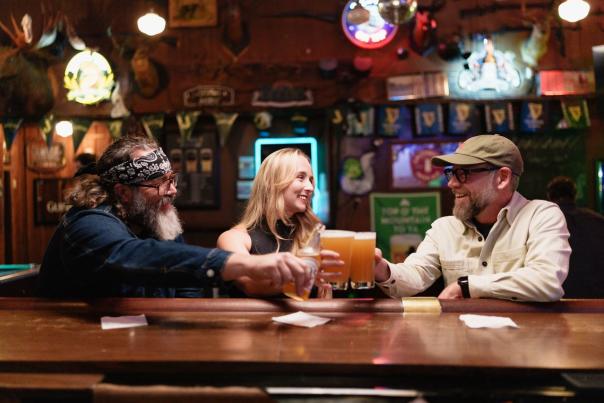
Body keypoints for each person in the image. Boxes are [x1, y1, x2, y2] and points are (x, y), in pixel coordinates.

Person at [37, 135, 313, 299]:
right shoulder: (88, 222)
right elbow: (134, 255)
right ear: (122, 192)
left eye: (172, 179)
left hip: (138, 341)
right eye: (160, 183)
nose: (173, 190)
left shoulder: (158, 220)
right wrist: (238, 264)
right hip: (75, 346)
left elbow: (187, 288)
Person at [374, 134, 570, 302]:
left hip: (524, 341)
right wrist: (381, 269)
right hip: (463, 343)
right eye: (450, 173)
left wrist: (467, 287)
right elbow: (416, 274)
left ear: (502, 177)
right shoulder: (444, 229)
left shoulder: (541, 216)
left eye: (462, 173)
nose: (451, 183)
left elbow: (547, 281)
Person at [217, 148, 341, 297]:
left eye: (311, 180)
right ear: (273, 183)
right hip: (257, 321)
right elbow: (250, 284)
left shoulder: (314, 238)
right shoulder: (234, 239)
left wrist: (376, 275)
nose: (310, 187)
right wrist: (308, 277)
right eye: (300, 178)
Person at [547, 176, 604, 298]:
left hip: (557, 297)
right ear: (574, 195)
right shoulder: (597, 220)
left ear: (550, 196)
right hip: (597, 296)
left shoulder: (543, 222)